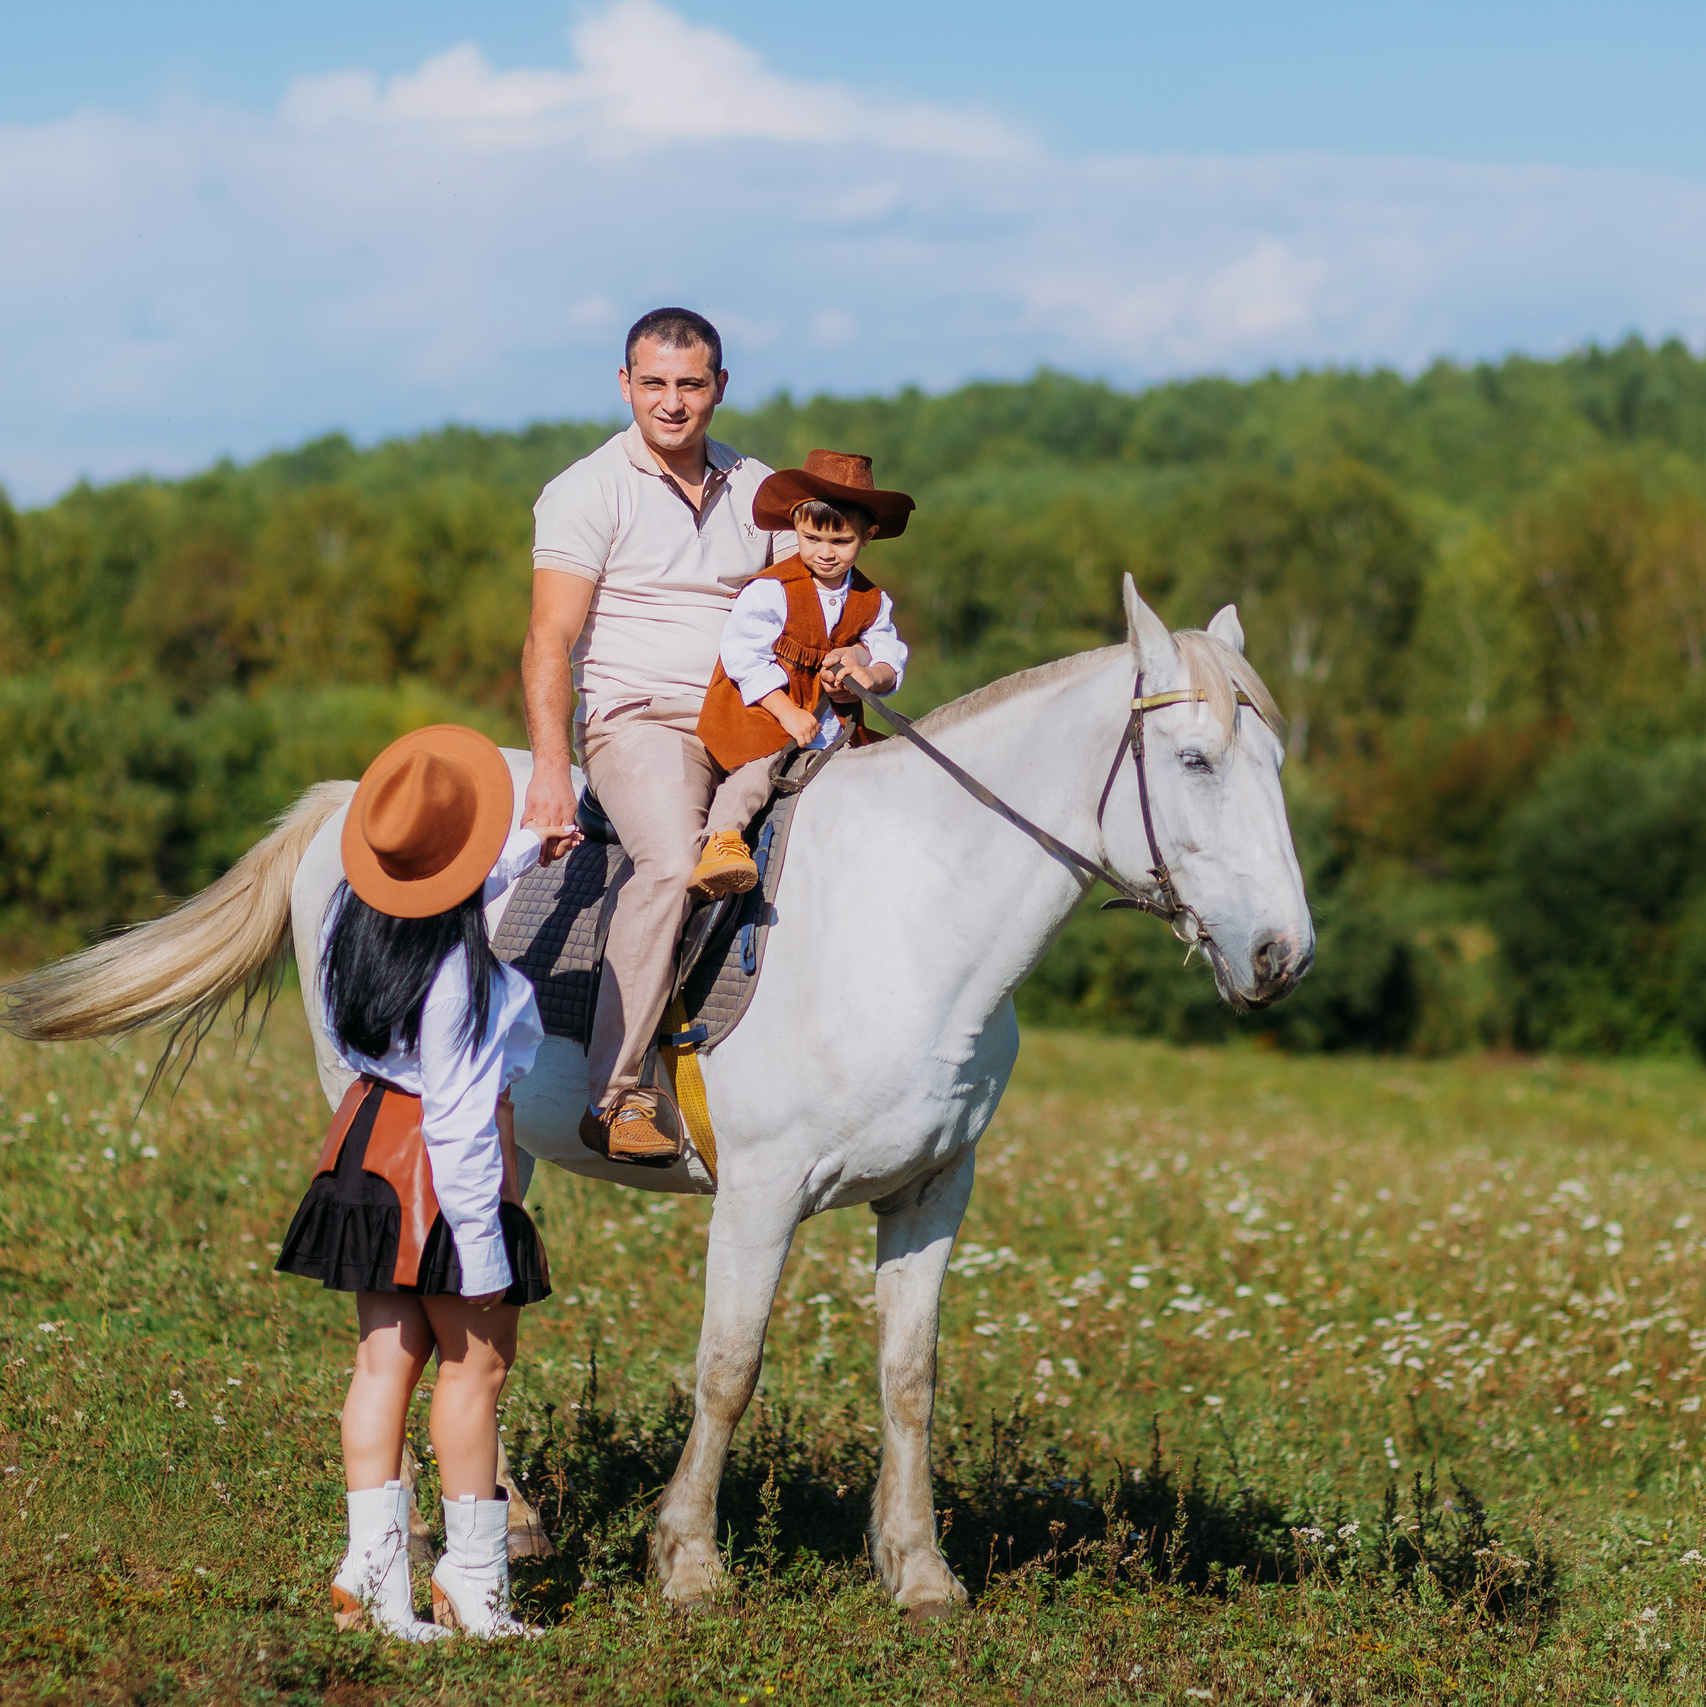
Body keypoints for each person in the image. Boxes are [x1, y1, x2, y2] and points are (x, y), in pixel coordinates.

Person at [275, 725, 559, 1641]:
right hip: (442, 1181)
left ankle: (372, 1568)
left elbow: (445, 893)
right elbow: (463, 1124)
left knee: (380, 1363)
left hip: (362, 1151)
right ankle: (476, 1583)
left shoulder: (348, 926)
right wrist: (482, 1248)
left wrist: (530, 853)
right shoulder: (466, 981)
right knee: (477, 1371)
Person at [520, 308, 794, 1166]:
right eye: (654, 384)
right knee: (674, 864)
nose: (672, 403)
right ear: (625, 385)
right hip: (642, 720)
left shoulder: (763, 490)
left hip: (750, 715)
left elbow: (815, 594)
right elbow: (548, 641)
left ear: (720, 386)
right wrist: (553, 771)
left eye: (690, 384)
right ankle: (617, 1093)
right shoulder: (586, 489)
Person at [690, 451, 914, 895]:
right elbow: (742, 654)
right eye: (813, 539)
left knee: (887, 772)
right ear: (796, 528)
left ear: (867, 537)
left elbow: (888, 647)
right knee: (757, 772)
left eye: (841, 542)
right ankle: (722, 841)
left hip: (832, 722)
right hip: (766, 711)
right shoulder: (773, 589)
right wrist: (786, 711)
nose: (825, 554)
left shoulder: (871, 598)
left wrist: (871, 674)